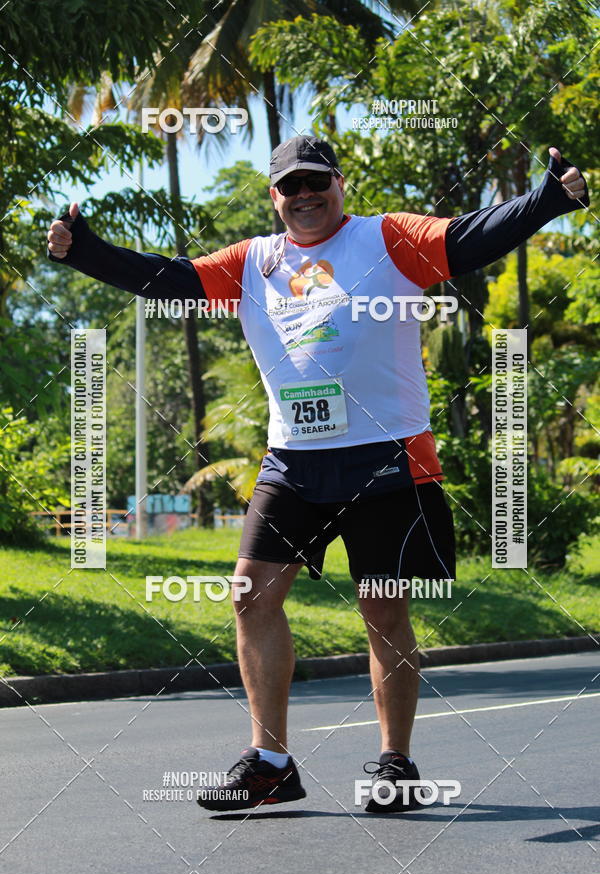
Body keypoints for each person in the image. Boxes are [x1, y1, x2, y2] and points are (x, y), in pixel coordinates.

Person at [47, 135, 588, 814]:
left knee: (384, 611)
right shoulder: (252, 263)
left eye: (315, 182)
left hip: (389, 459)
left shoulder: (387, 237)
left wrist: (545, 199)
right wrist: (86, 251)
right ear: (275, 197)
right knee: (250, 596)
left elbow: (469, 238)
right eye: (289, 187)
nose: (304, 196)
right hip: (292, 463)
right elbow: (171, 279)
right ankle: (270, 762)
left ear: (338, 182)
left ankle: (396, 764)